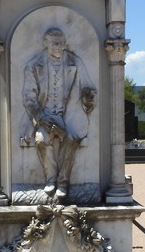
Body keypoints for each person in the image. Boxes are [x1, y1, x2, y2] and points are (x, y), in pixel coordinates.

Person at [22, 28, 96, 199]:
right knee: (41, 141)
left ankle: (63, 183)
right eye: (55, 44)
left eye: (62, 44)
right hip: (45, 116)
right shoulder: (33, 65)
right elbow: (29, 97)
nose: (59, 48)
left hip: (70, 115)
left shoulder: (75, 62)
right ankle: (50, 180)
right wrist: (40, 118)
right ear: (46, 43)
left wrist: (88, 98)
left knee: (71, 139)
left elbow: (89, 90)